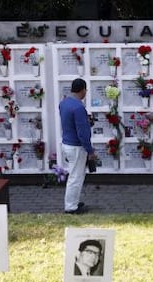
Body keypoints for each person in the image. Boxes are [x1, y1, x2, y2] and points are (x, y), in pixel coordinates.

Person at [59, 78, 96, 214]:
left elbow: (70, 123)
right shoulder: (79, 107)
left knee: (74, 175)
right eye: (86, 90)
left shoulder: (64, 103)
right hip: (76, 147)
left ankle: (73, 202)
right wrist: (90, 150)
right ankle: (71, 207)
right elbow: (82, 133)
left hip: (67, 143)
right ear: (83, 90)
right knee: (76, 177)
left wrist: (86, 121)